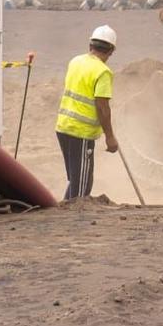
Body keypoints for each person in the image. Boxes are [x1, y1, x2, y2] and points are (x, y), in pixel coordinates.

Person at [55, 25, 119, 201]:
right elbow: (102, 107)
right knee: (82, 187)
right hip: (80, 133)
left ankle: (64, 212)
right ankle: (72, 221)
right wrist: (110, 136)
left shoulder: (75, 61)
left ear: (90, 45)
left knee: (76, 181)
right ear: (111, 50)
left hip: (63, 128)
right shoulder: (103, 72)